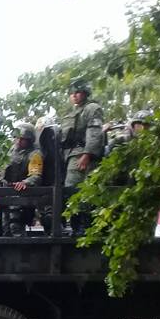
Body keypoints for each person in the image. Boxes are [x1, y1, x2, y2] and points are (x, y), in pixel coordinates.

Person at [58, 79, 104, 236]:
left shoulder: (92, 108)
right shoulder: (72, 112)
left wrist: (87, 154)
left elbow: (94, 131)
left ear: (85, 93)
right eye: (72, 93)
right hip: (69, 154)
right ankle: (77, 225)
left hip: (81, 153)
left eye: (77, 92)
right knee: (70, 189)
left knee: (76, 188)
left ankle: (84, 225)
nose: (74, 95)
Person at [0, 123, 45, 237]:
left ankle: (21, 251)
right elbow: (1, 170)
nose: (19, 141)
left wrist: (25, 182)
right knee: (5, 229)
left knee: (16, 228)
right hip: (6, 194)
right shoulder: (10, 150)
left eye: (23, 139)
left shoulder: (34, 154)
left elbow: (36, 175)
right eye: (17, 137)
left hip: (22, 196)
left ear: (29, 140)